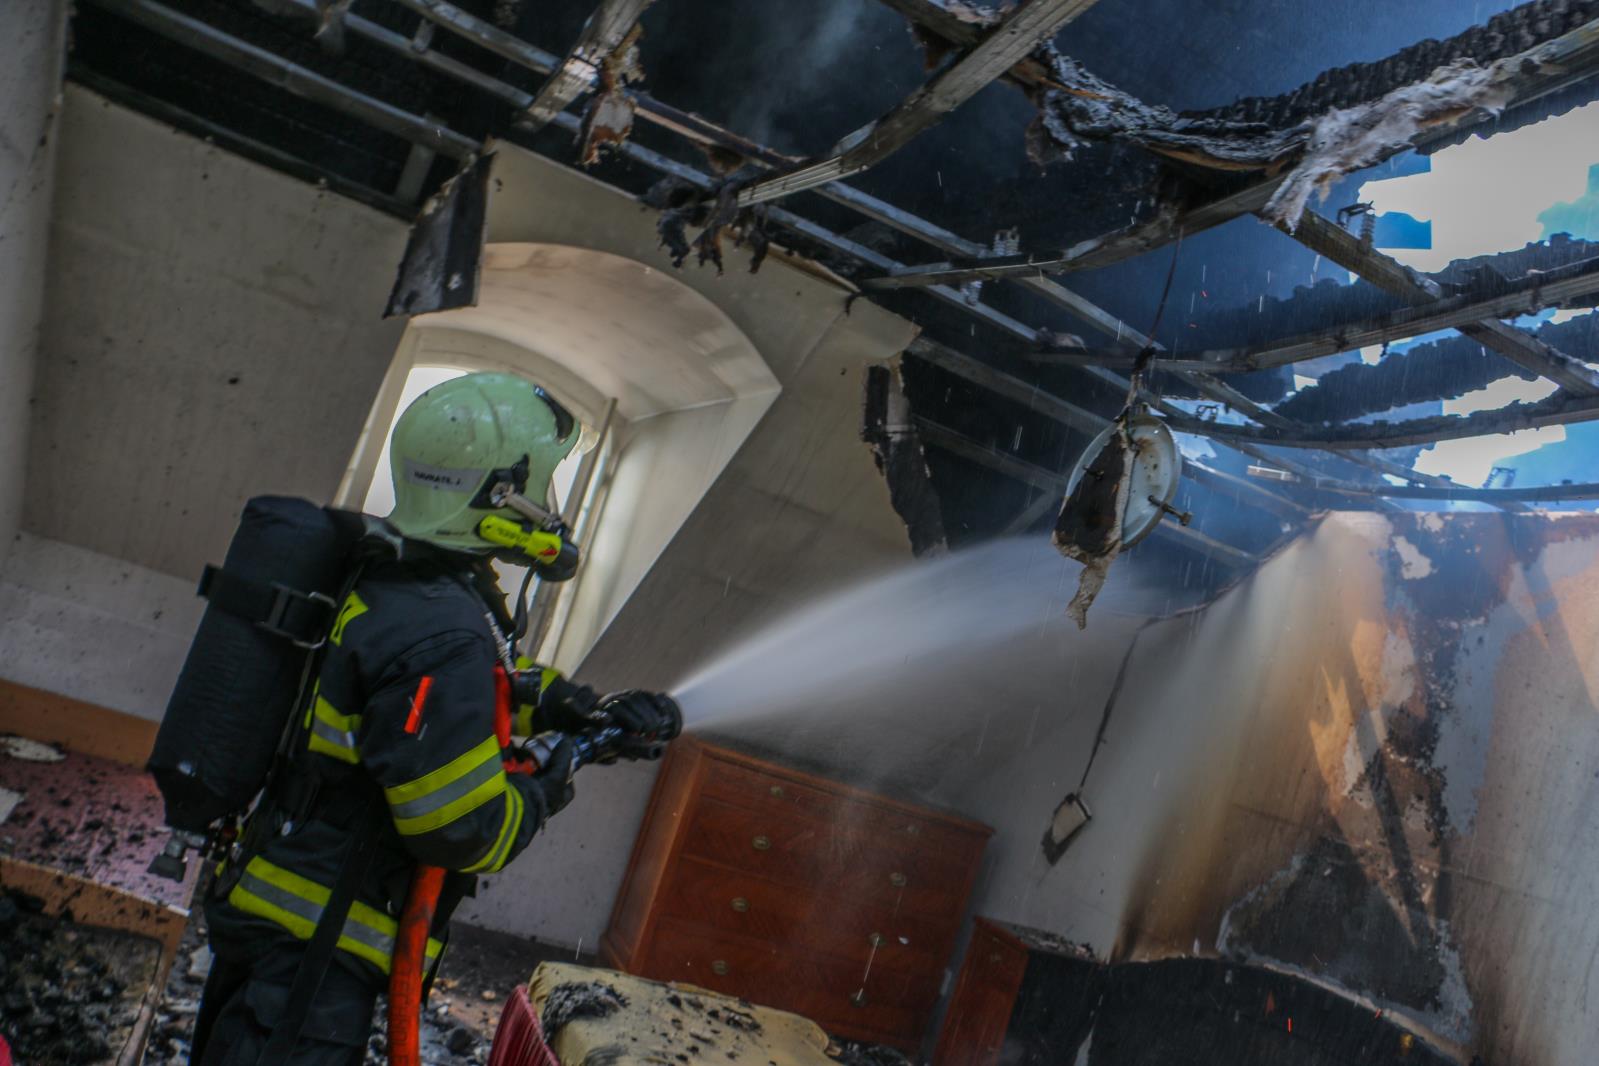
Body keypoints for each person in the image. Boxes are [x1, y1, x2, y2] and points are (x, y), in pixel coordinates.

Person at [189, 372, 680, 1064]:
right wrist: (550, 781)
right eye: (541, 485)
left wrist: (573, 706)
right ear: (498, 493)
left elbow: (468, 688)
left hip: (275, 902)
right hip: (318, 947)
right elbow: (463, 830)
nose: (548, 509)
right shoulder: (444, 632)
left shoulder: (400, 576)